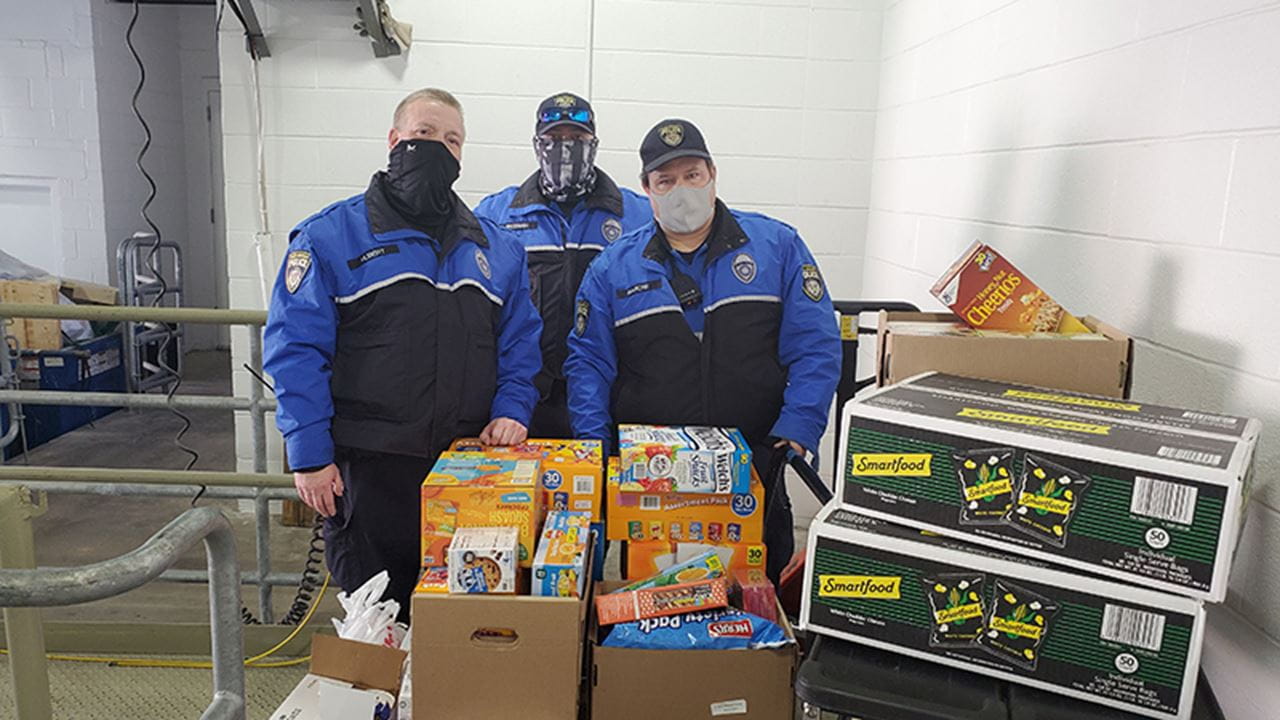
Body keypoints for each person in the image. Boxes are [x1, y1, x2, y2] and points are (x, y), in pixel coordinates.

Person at [263, 88, 542, 614]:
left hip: (469, 470)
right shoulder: (331, 238)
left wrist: (512, 408)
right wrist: (309, 455)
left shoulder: (496, 250)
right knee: (377, 616)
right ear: (394, 140)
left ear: (462, 154)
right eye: (424, 134)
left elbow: (521, 343)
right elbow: (295, 348)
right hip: (371, 471)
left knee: (464, 614)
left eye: (451, 139)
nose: (438, 146)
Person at [564, 119, 841, 582]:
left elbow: (815, 345)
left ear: (713, 173)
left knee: (756, 607)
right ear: (646, 189)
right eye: (665, 181)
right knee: (653, 608)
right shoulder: (612, 268)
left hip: (754, 470)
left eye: (692, 175)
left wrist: (799, 426)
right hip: (653, 481)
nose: (681, 191)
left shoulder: (778, 247)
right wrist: (596, 447)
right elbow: (589, 363)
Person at [474, 92, 651, 438]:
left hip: (613, 396)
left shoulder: (637, 215)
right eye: (553, 140)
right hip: (523, 403)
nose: (565, 148)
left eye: (577, 140)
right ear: (536, 144)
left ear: (594, 143)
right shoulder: (497, 215)